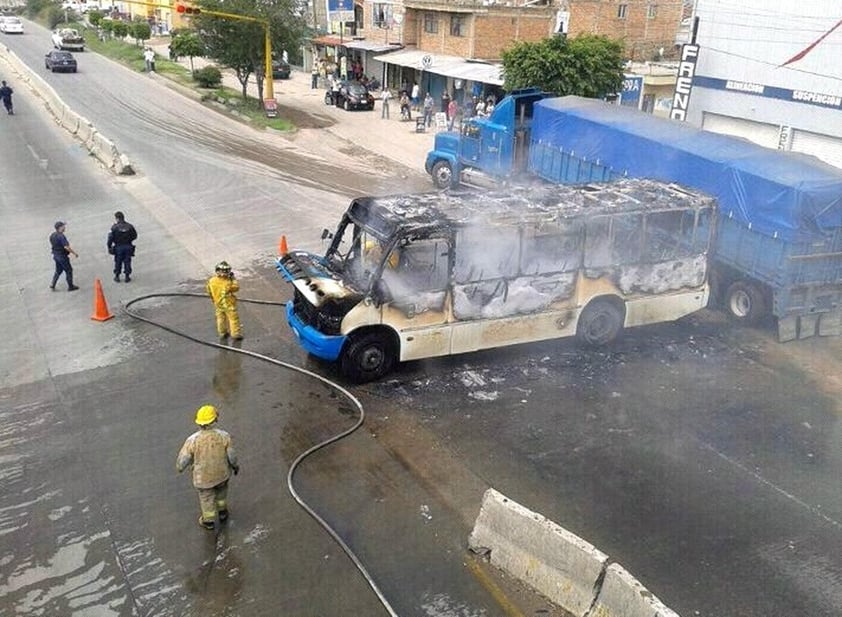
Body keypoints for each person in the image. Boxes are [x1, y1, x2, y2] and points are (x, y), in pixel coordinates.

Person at [176, 404, 239, 530]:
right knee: (221, 494)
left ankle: (208, 521)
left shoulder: (192, 441)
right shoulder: (224, 436)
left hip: (202, 479)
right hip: (222, 474)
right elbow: (232, 456)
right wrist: (235, 466)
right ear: (215, 419)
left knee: (206, 499)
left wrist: (180, 468)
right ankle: (223, 513)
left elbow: (183, 461)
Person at [207, 261, 243, 340]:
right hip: (229, 305)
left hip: (218, 304)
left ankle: (222, 333)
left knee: (220, 319)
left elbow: (209, 291)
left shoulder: (212, 280)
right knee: (233, 319)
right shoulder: (227, 282)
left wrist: (213, 300)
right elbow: (236, 288)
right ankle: (235, 334)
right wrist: (233, 279)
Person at [107, 210, 138, 282]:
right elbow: (135, 236)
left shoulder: (114, 227)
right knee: (127, 261)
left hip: (118, 247)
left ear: (117, 218)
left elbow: (110, 238)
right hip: (128, 246)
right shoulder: (130, 226)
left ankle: (117, 276)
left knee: (118, 261)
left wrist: (109, 246)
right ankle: (127, 276)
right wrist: (129, 241)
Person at [49, 221, 79, 291]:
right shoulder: (61, 236)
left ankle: (53, 284)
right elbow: (66, 247)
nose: (64, 227)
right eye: (63, 226)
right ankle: (70, 286)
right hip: (62, 257)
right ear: (60, 228)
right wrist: (74, 253)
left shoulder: (52, 235)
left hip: (56, 256)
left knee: (58, 270)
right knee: (69, 270)